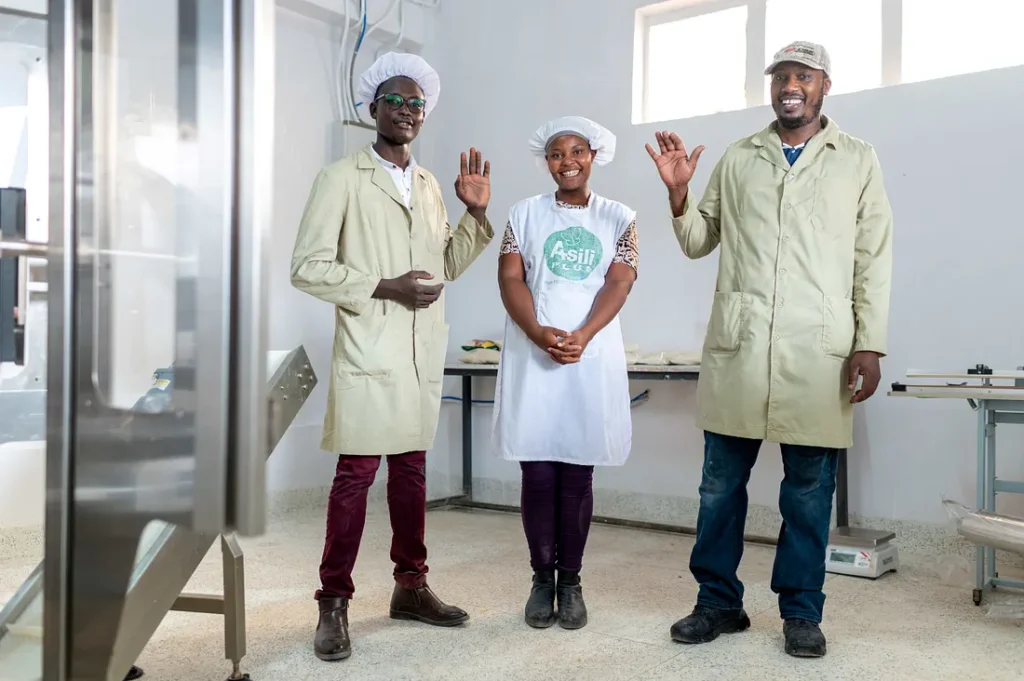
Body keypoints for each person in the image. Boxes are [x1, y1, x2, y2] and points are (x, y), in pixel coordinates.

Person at [646, 41, 893, 658]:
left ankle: (802, 612)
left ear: (824, 86)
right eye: (781, 75)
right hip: (743, 347)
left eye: (803, 76)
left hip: (817, 351)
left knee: (808, 493)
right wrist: (678, 194)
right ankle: (717, 603)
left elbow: (872, 257)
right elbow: (698, 241)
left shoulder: (857, 159)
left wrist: (869, 344)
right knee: (719, 488)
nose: (790, 85)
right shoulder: (739, 157)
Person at [290, 51, 494, 662]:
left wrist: (476, 212)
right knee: (355, 476)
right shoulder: (341, 178)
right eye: (395, 101)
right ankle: (333, 600)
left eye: (416, 104)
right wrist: (385, 286)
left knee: (411, 473)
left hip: (419, 349)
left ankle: (411, 587)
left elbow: (446, 264)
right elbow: (307, 267)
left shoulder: (429, 185)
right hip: (368, 344)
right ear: (372, 108)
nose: (406, 111)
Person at [493, 116, 638, 631]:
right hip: (534, 352)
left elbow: (619, 282)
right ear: (547, 162)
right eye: (557, 153)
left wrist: (585, 334)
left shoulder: (618, 216)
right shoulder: (523, 214)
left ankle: (570, 582)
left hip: (588, 354)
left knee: (577, 471)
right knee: (536, 472)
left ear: (593, 156)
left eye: (577, 151)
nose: (567, 161)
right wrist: (537, 332)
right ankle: (540, 580)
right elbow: (511, 277)